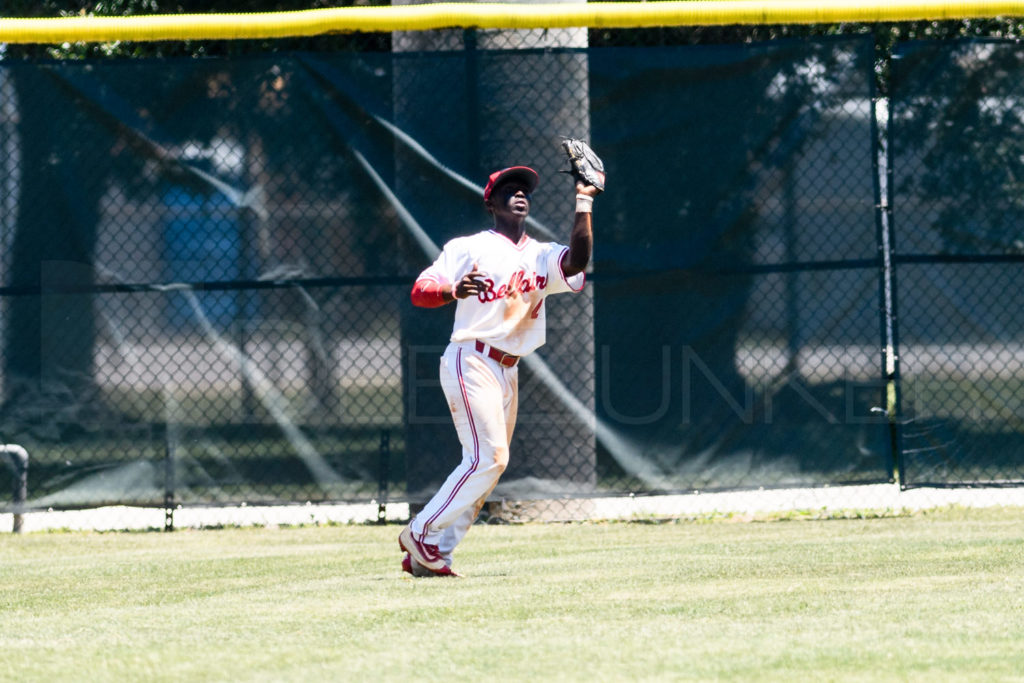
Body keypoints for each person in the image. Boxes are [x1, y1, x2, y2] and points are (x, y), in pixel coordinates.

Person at [399, 164, 600, 577]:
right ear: (490, 202)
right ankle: (420, 531)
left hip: (509, 368)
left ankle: (434, 552)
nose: (519, 194)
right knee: (488, 458)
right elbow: (421, 291)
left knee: (488, 466)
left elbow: (578, 261)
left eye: (524, 189)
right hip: (470, 357)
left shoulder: (541, 255)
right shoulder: (468, 247)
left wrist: (585, 200)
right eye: (508, 189)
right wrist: (451, 290)